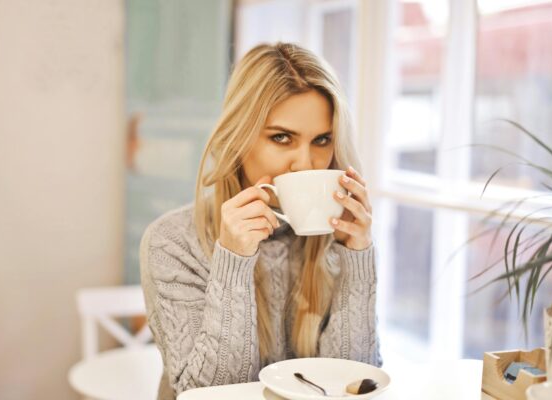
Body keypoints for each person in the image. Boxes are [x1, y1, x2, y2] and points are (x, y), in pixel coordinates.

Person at [140, 42, 381, 400]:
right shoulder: (172, 242)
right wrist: (233, 262)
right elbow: (211, 395)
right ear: (238, 139)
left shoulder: (339, 235)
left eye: (322, 140)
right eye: (281, 138)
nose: (305, 163)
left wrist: (358, 258)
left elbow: (355, 384)